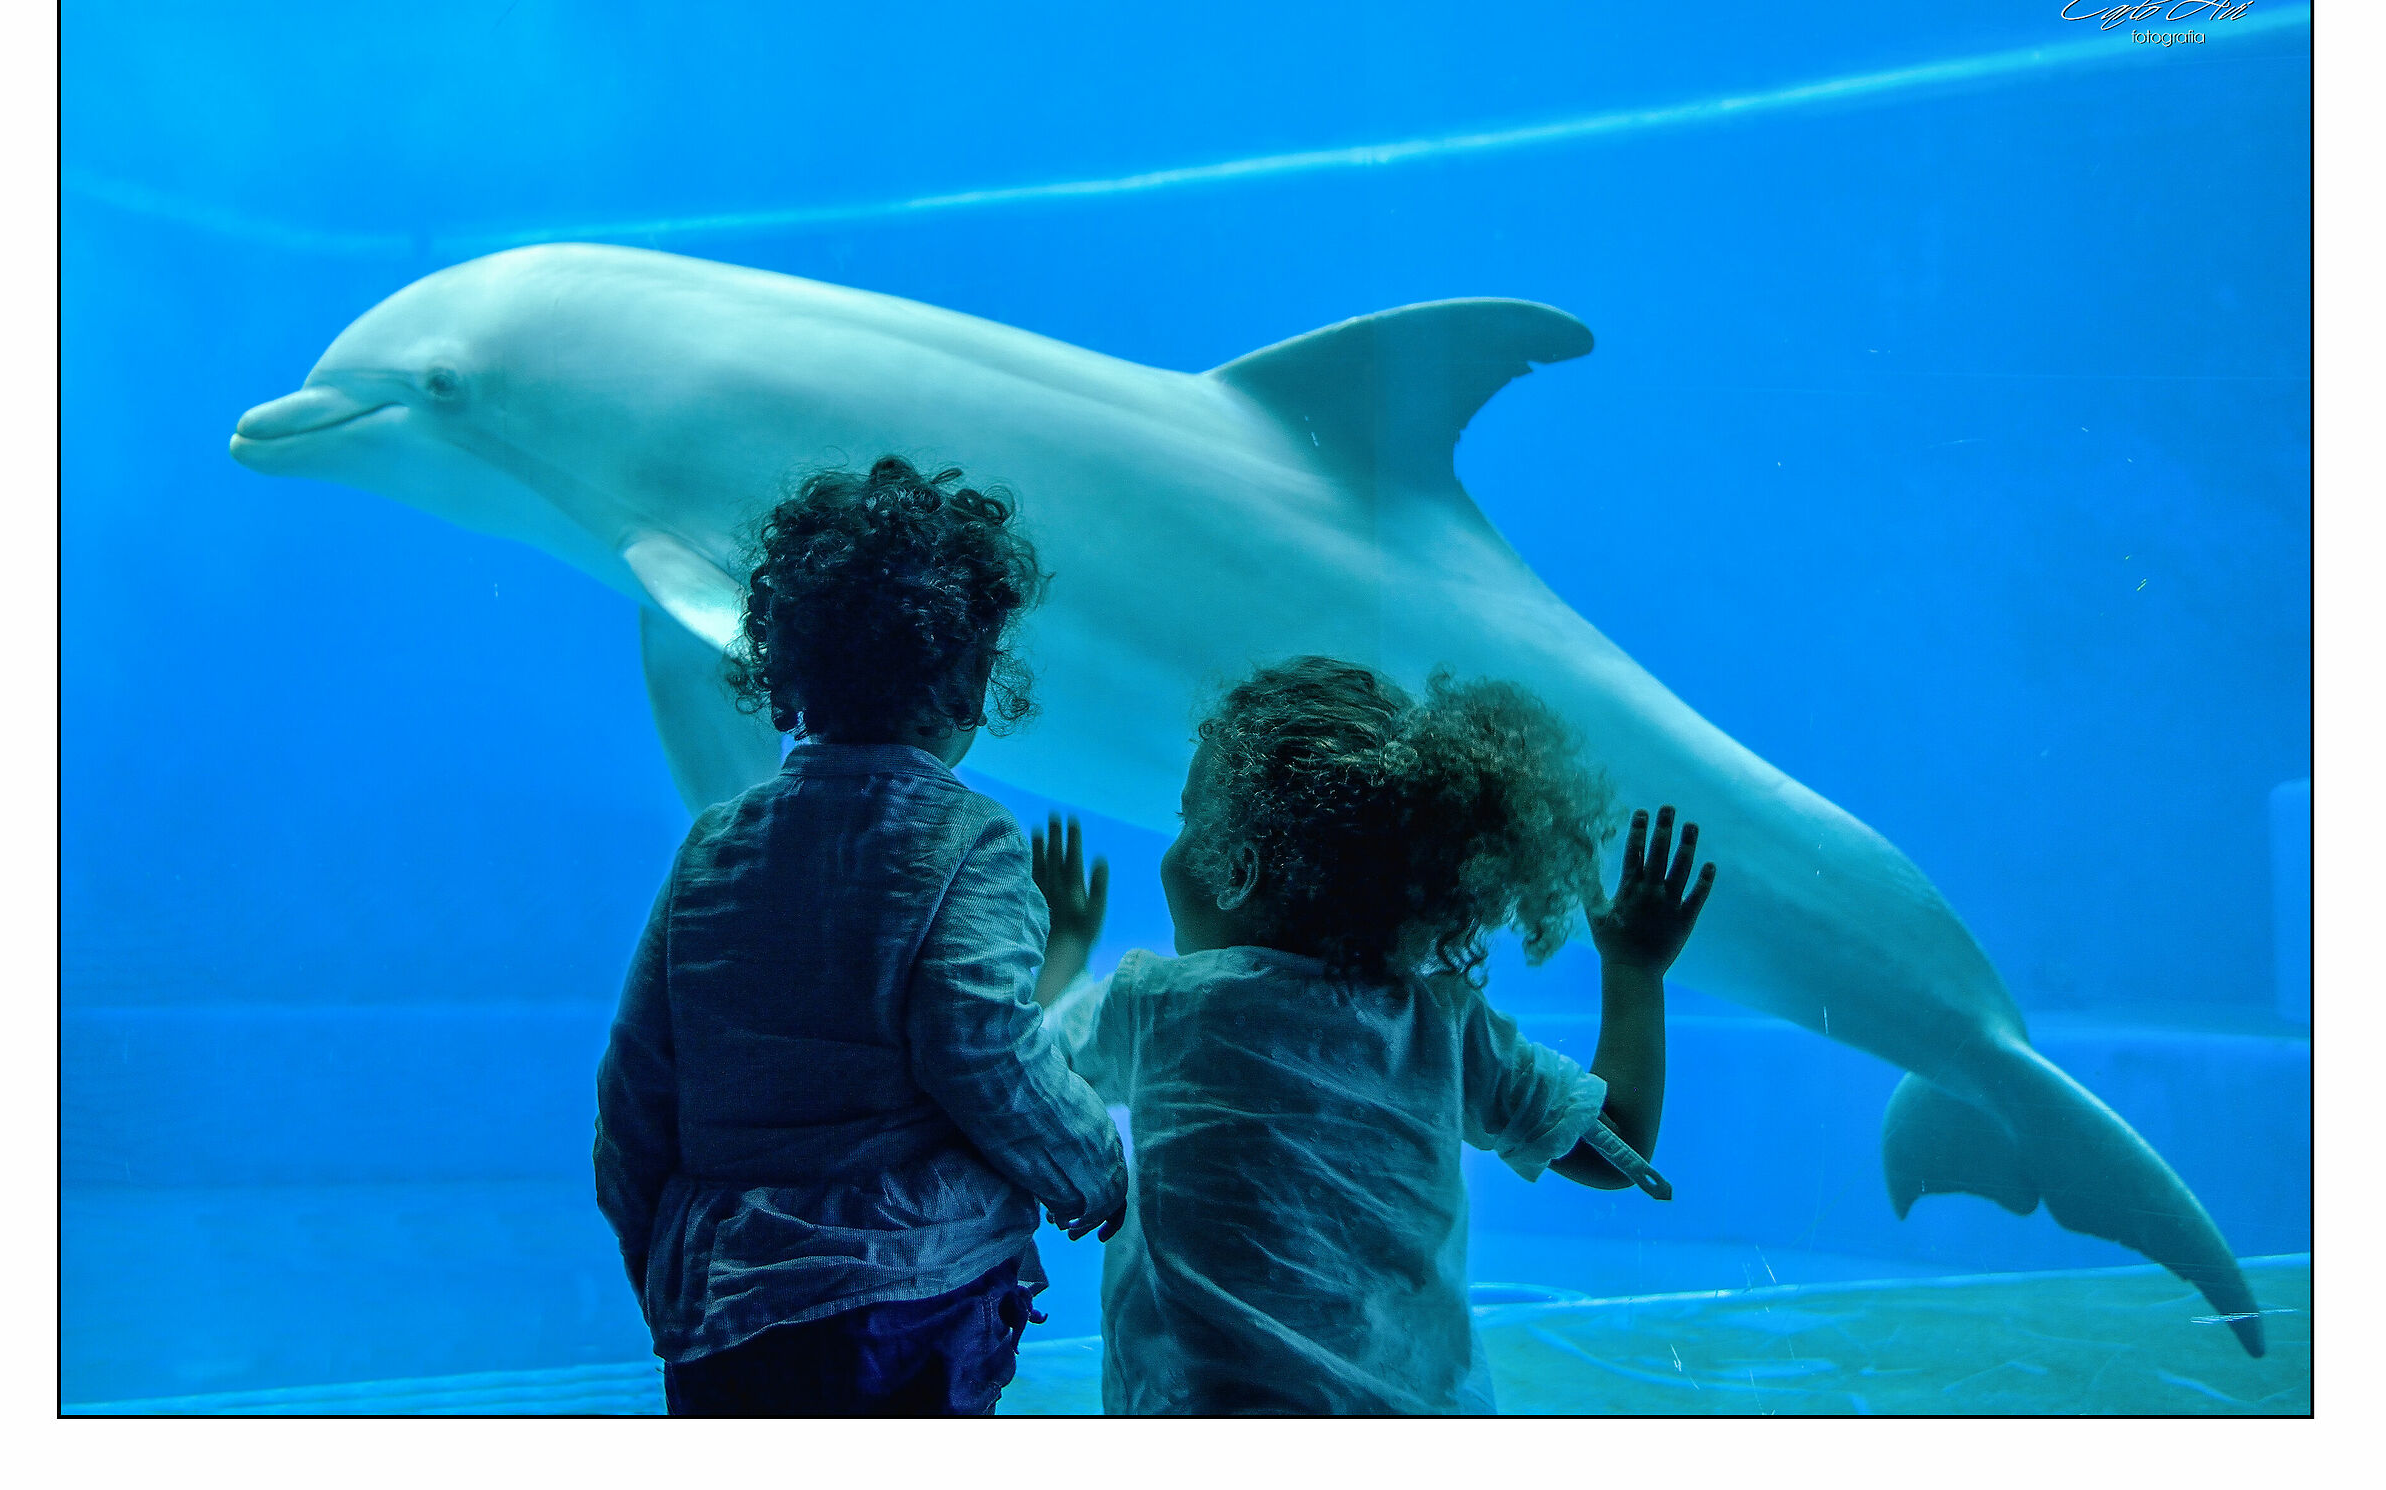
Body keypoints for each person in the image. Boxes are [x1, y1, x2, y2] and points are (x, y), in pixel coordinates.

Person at [1032, 656, 1714, 1415]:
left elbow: (1023, 1064)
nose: (1170, 853)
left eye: (1187, 820)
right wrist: (1634, 967)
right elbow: (1617, 1147)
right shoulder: (1447, 1026)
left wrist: (1062, 949)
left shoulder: (1156, 1006)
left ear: (1239, 868)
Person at [594, 455, 1128, 1418]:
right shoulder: (972, 840)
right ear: (972, 687)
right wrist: (1087, 1159)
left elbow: (635, 1085)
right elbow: (978, 1045)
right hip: (904, 1300)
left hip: (728, 1306)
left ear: (784, 670)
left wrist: (671, 1263)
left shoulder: (712, 846)